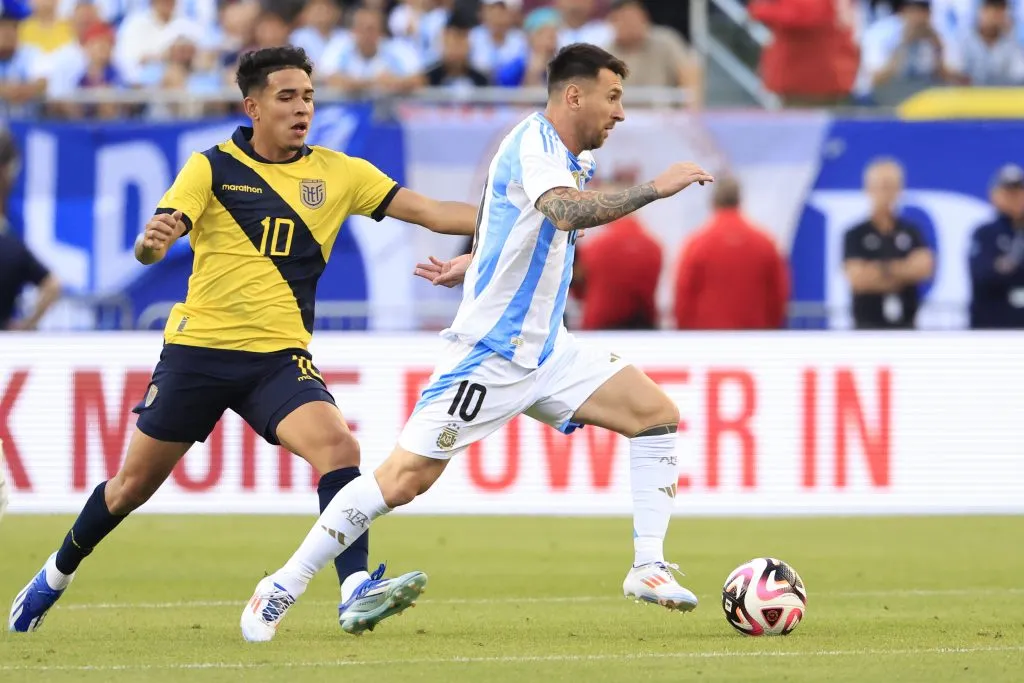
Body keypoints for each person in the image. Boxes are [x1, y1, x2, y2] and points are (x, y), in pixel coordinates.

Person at [239, 43, 715, 642]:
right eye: (613, 97)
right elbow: (561, 212)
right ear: (575, 95)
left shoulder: (567, 153)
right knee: (402, 480)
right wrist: (654, 188)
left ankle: (647, 566)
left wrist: (477, 262)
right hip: (491, 353)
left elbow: (506, 216)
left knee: (656, 416)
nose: (619, 113)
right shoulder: (538, 144)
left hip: (548, 349)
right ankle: (282, 584)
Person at [9, 46, 478, 635]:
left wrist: (523, 214)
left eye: (308, 96)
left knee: (340, 450)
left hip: (276, 360)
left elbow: (434, 211)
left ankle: (356, 588)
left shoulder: (341, 173)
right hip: (197, 355)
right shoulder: (210, 167)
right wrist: (150, 245)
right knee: (129, 489)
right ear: (252, 106)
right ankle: (55, 574)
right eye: (287, 97)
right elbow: (157, 240)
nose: (302, 107)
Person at [674, 176, 789, 330]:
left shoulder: (696, 245)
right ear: (739, 200)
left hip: (707, 341)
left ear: (713, 201)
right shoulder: (765, 243)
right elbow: (778, 296)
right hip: (754, 339)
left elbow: (684, 297)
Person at [841, 158, 934, 329]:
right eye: (881, 186)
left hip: (906, 328)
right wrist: (903, 272)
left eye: (892, 186)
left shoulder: (911, 231)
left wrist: (879, 271)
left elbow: (924, 268)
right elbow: (857, 278)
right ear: (868, 189)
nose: (886, 193)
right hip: (866, 328)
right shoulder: (855, 234)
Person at [0, 129, 62, 331]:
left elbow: (52, 285)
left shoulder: (11, 247)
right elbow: (52, 285)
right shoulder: (11, 248)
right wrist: (27, 325)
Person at [969, 164, 1024, 329]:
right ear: (994, 195)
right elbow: (982, 275)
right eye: (1008, 192)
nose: (1014, 198)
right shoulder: (985, 234)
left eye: (1018, 192)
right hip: (993, 329)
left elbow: (1002, 270)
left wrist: (1007, 266)